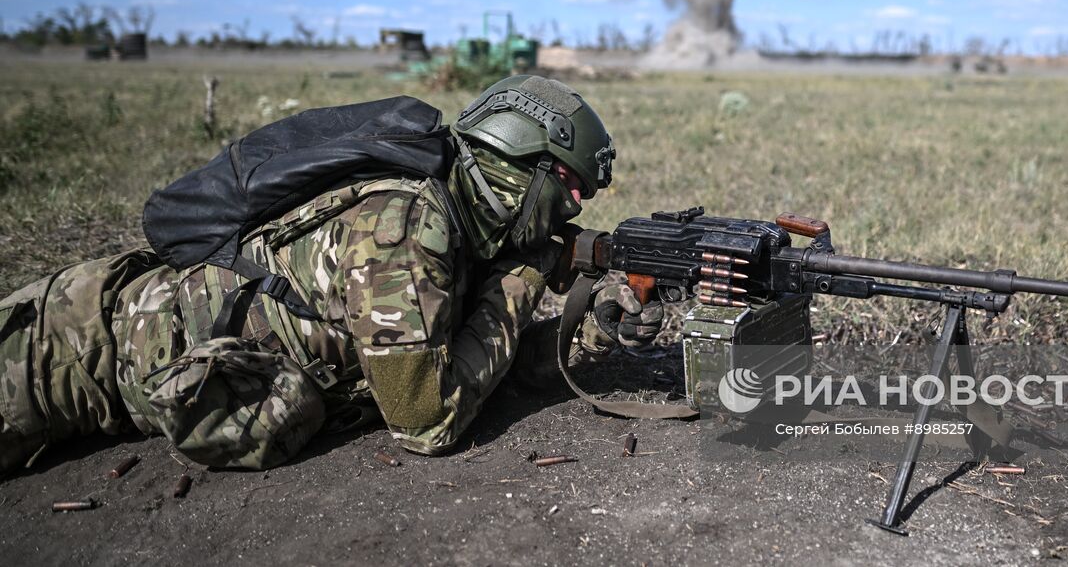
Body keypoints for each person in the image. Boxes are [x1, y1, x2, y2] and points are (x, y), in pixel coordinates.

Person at [0, 75, 662, 472]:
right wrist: (522, 281)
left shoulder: (459, 218)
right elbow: (427, 421)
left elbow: (464, 359)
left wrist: (591, 331)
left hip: (117, 367)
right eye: (569, 185)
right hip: (68, 354)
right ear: (520, 166)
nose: (573, 208)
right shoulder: (406, 229)